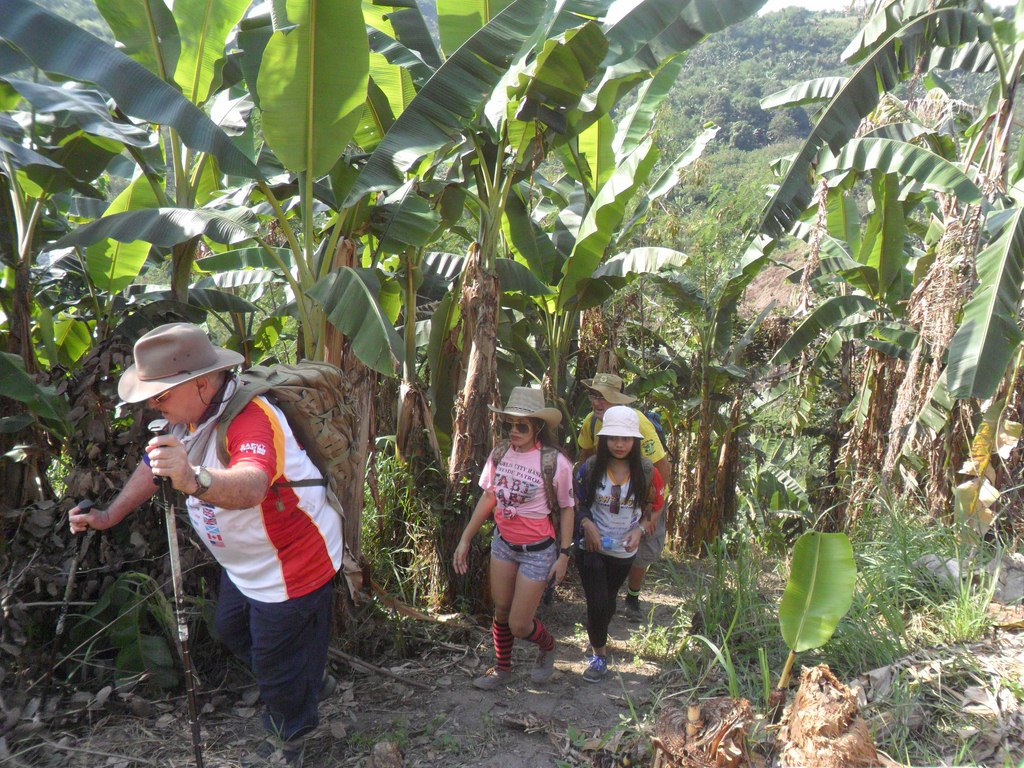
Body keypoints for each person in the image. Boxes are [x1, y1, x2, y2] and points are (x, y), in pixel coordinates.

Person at [69, 323, 342, 768]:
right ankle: (305, 679)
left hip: (292, 563)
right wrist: (108, 516)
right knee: (232, 630)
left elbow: (252, 484)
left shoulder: (252, 418)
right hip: (247, 565)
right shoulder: (188, 418)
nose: (153, 406)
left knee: (273, 662)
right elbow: (153, 466)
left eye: (160, 395)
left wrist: (193, 479)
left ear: (199, 383)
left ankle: (292, 735)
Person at [453, 387, 575, 690]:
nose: (514, 431)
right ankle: (501, 668)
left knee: (520, 624)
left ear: (538, 428)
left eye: (522, 426)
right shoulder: (500, 453)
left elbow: (567, 508)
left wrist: (564, 554)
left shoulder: (555, 462)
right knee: (502, 610)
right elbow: (489, 497)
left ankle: (547, 645)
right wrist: (466, 539)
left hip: (538, 551)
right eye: (510, 424)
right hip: (504, 545)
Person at [574, 406, 665, 681]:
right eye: (613, 438)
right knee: (597, 601)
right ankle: (599, 657)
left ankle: (597, 633)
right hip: (590, 546)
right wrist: (587, 524)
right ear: (604, 440)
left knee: (609, 599)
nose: (619, 444)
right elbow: (575, 499)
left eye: (626, 438)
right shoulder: (591, 468)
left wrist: (640, 529)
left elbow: (657, 505)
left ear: (635, 441)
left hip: (624, 550)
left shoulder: (647, 472)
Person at [577, 372, 671, 622]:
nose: (597, 402)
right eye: (594, 396)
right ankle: (604, 602)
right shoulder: (591, 422)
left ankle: (632, 597)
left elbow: (662, 468)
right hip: (606, 491)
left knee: (641, 548)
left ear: (618, 399)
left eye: (604, 397)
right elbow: (585, 457)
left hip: (644, 494)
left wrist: (648, 508)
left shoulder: (638, 423)